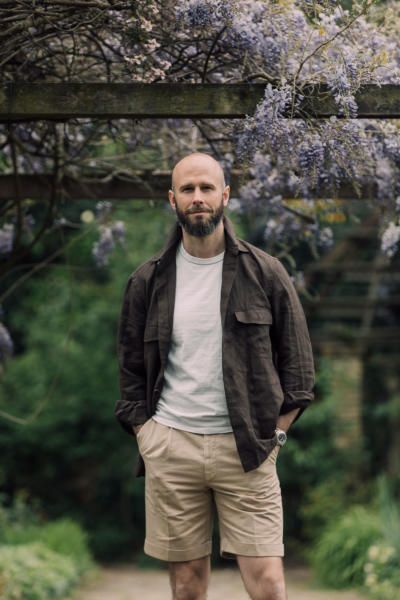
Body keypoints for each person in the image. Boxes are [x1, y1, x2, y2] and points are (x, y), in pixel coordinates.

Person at [115, 152, 314, 600]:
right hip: (172, 446)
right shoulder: (147, 280)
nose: (198, 198)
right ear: (172, 199)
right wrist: (149, 438)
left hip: (248, 448)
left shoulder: (266, 272)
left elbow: (299, 374)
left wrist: (275, 439)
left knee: (268, 586)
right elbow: (129, 373)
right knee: (187, 586)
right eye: (188, 190)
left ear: (225, 195)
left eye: (207, 188)